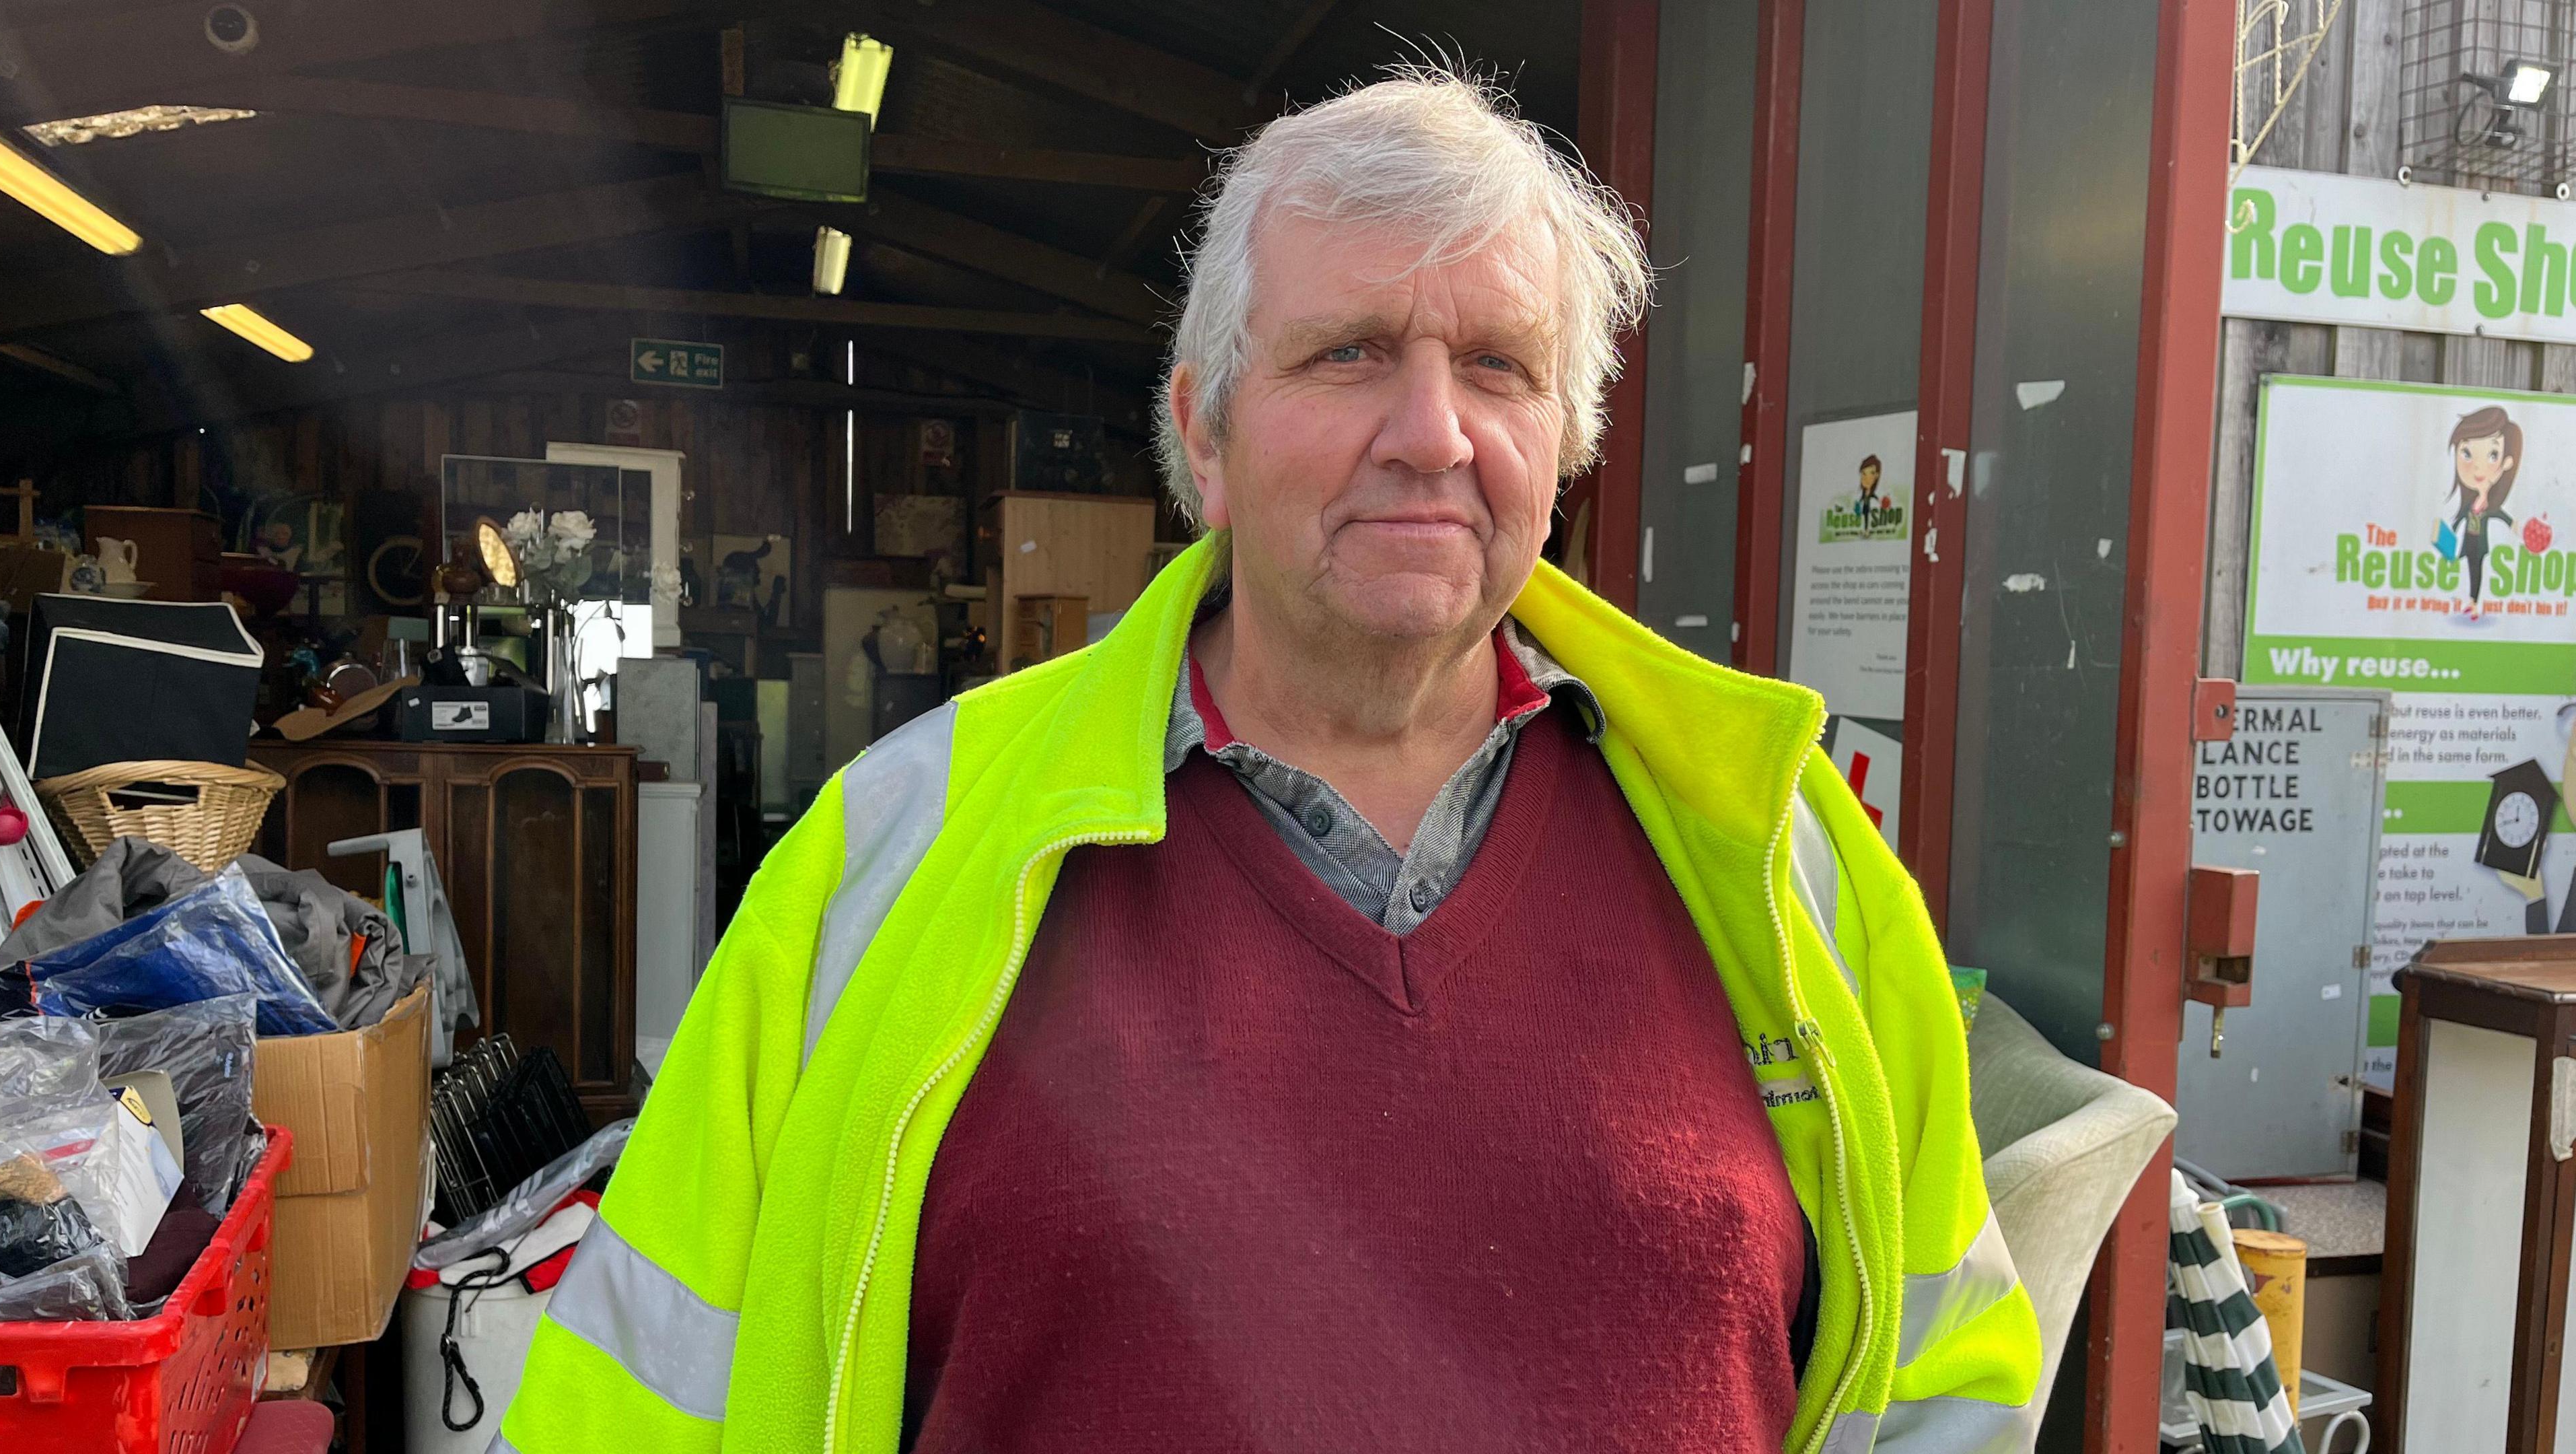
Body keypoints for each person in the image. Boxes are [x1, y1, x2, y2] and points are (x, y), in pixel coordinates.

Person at [499, 68, 2039, 1454]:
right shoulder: (893, 852)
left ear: (1562, 447)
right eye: (1350, 353)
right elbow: (641, 1401)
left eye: (1497, 366)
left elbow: (1940, 1386)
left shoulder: (1780, 865)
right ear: (1206, 436)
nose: (1430, 431)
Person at [2448, 405, 2521, 614]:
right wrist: (2449, 532)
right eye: (2467, 453)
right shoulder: (2470, 504)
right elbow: (2460, 518)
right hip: (2468, 541)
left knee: (2477, 571)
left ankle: (2473, 602)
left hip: (2480, 544)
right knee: (2468, 569)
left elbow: (2500, 515)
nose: (2478, 468)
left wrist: (2515, 526)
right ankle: (2469, 601)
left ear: (2506, 463)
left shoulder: (2490, 505)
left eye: (2492, 455)